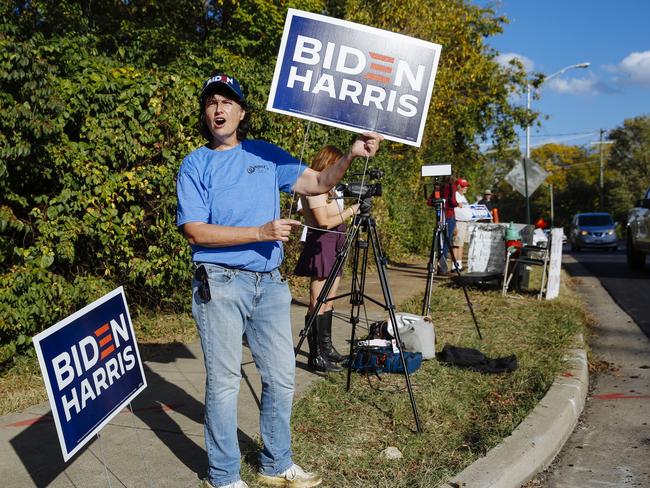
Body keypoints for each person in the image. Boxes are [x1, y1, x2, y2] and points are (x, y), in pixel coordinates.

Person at [176, 72, 383, 488]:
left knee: (282, 374)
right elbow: (194, 231)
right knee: (224, 383)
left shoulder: (266, 154)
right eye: (212, 102)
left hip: (269, 285)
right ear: (206, 113)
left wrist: (352, 153)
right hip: (219, 282)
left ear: (241, 112)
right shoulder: (196, 163)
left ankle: (275, 463)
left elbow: (320, 183)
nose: (219, 109)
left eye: (227, 102)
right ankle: (223, 476)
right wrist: (260, 233)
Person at [293, 146, 360, 373]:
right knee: (318, 302)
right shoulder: (315, 187)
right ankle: (316, 356)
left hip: (334, 240)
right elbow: (322, 222)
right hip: (323, 242)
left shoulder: (327, 188)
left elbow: (326, 216)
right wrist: (351, 211)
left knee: (328, 300)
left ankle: (326, 348)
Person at [427, 176, 457, 276]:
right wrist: (457, 204)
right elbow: (453, 201)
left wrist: (439, 203)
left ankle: (440, 266)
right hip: (448, 216)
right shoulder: (451, 186)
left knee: (440, 241)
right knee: (446, 242)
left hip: (439, 216)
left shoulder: (438, 187)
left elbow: (429, 201)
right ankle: (442, 268)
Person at [453, 177, 471, 271]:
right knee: (456, 244)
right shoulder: (455, 195)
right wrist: (454, 224)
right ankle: (454, 265)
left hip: (464, 223)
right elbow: (453, 210)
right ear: (458, 186)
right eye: (464, 186)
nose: (466, 188)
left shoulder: (463, 196)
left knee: (461, 244)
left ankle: (458, 264)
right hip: (458, 222)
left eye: (466, 186)